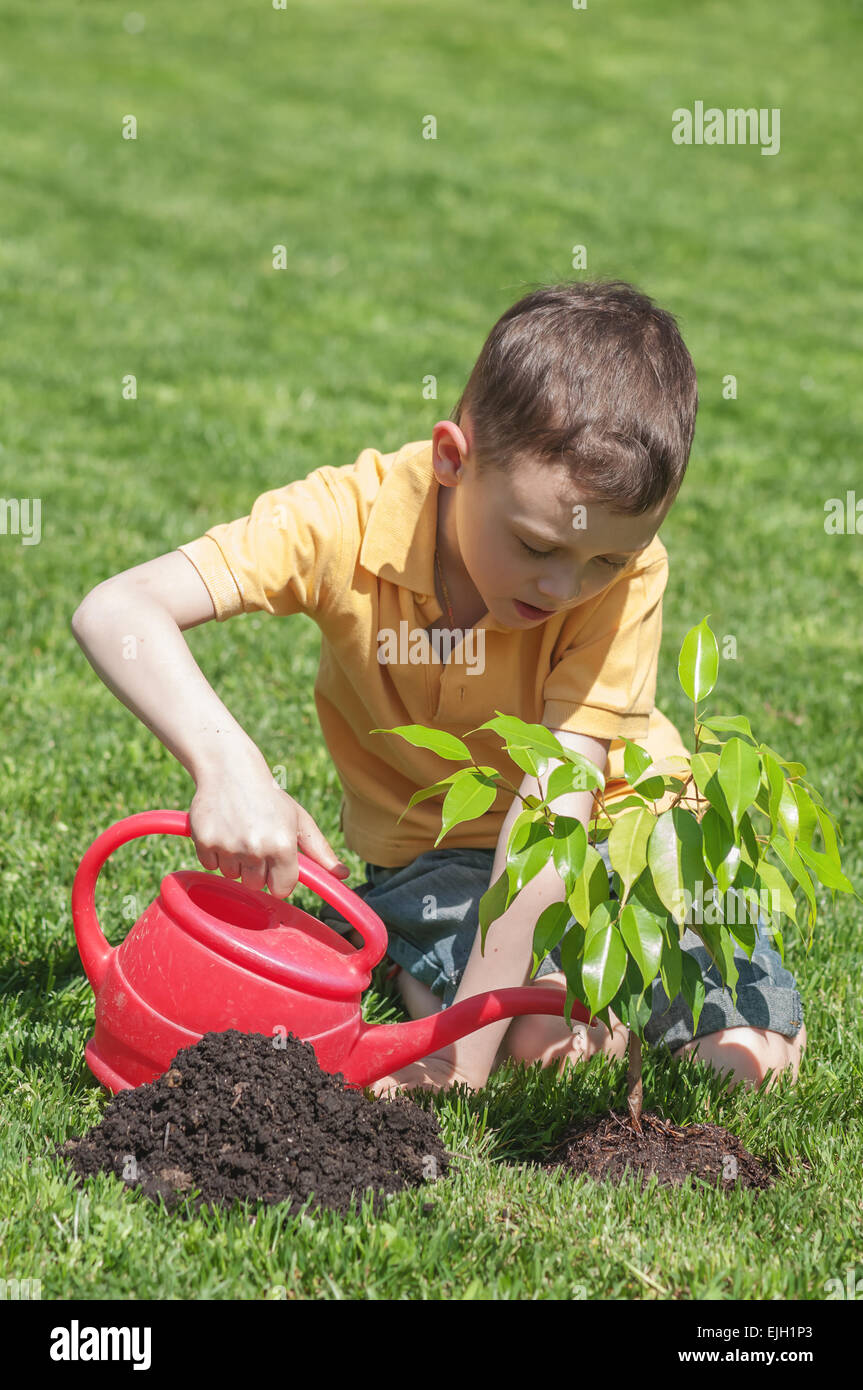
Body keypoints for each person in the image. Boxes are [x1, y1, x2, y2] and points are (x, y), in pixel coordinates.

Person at [70, 280, 806, 1101]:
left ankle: (586, 993)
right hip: (437, 852)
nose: (566, 585)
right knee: (540, 1045)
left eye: (606, 561)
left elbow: (550, 819)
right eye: (534, 544)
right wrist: (232, 769)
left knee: (746, 1063)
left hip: (624, 828)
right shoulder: (340, 520)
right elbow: (117, 610)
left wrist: (461, 1059)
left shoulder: (627, 576)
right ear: (452, 459)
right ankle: (483, 980)